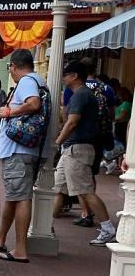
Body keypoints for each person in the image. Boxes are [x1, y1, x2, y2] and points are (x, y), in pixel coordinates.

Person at [0, 49, 47, 263]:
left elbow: (33, 103)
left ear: (13, 66)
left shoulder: (27, 82)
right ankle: (0, 237)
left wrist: (9, 112)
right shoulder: (39, 80)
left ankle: (21, 249)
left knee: (21, 197)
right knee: (15, 194)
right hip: (27, 150)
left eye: (10, 68)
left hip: (19, 150)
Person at [52, 61, 116, 247]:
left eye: (65, 74)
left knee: (85, 191)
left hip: (77, 149)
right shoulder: (82, 94)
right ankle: (45, 226)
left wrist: (57, 142)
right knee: (58, 189)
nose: (63, 78)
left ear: (74, 76)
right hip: (73, 148)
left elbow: (71, 122)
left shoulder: (80, 95)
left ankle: (108, 229)